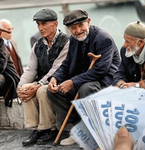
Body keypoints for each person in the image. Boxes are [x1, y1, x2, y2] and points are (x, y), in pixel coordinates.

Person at [47, 9, 120, 145]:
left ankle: (93, 133)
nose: (78, 30)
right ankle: (79, 129)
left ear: (89, 22)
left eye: (81, 25)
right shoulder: (74, 40)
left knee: (85, 89)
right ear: (69, 29)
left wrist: (73, 82)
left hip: (105, 81)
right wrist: (55, 78)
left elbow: (100, 70)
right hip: (82, 81)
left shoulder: (103, 39)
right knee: (53, 92)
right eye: (73, 28)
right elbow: (67, 63)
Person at [17, 8, 70, 146]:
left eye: (44, 24)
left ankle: (49, 128)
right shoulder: (38, 45)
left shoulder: (67, 42)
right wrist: (19, 86)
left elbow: (56, 69)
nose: (40, 28)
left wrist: (38, 85)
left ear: (55, 24)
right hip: (43, 81)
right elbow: (30, 69)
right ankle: (36, 128)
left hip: (60, 81)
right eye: (38, 24)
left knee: (41, 90)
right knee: (25, 88)